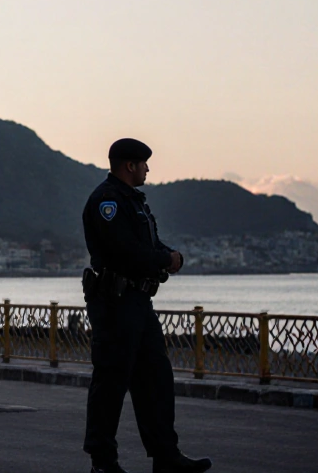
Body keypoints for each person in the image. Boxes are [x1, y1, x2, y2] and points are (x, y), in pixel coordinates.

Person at [81, 138, 211, 473]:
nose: (148, 170)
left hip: (138, 302)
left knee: (156, 379)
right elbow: (126, 250)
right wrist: (165, 259)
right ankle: (103, 462)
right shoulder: (107, 202)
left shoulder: (133, 202)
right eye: (143, 164)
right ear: (130, 166)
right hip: (115, 303)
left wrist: (166, 255)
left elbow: (146, 243)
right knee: (111, 382)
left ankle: (166, 456)